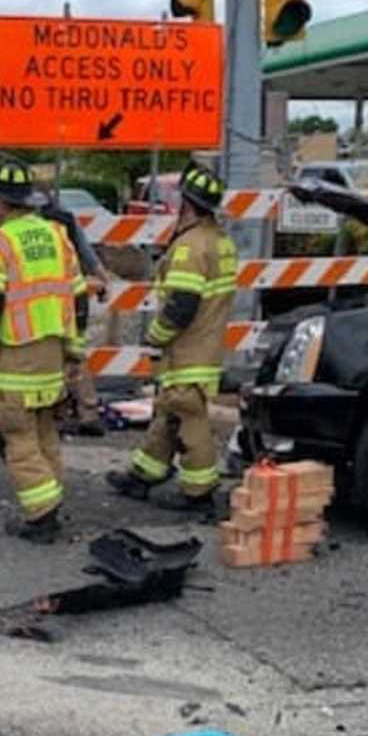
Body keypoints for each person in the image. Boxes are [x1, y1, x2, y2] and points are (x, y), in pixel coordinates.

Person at [107, 161, 238, 516]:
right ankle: (144, 475)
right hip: (204, 346)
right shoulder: (220, 241)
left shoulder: (190, 247)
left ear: (188, 204)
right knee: (168, 413)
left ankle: (200, 492)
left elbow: (181, 304)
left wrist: (156, 335)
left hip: (187, 351)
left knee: (190, 418)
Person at [0, 159, 87, 543]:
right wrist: (73, 351)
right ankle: (52, 500)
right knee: (44, 434)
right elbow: (79, 298)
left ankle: (42, 515)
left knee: (17, 438)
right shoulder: (57, 236)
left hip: (13, 359)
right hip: (51, 356)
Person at [35, 190, 109, 436]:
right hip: (75, 300)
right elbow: (89, 256)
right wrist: (103, 279)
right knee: (75, 355)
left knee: (51, 354)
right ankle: (88, 412)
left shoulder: (29, 230)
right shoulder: (66, 221)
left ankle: (57, 412)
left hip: (46, 302)